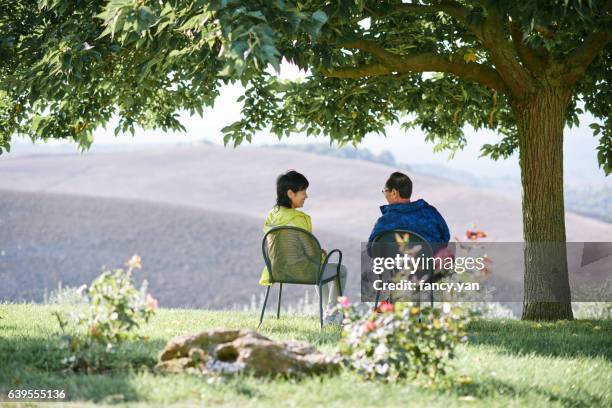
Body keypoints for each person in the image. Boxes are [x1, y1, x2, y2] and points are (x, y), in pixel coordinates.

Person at [260, 170, 347, 325]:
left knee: (319, 270)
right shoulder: (298, 219)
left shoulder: (272, 215)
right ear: (290, 193)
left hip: (277, 270)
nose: (306, 196)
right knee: (340, 270)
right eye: (303, 191)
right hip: (302, 271)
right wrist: (321, 254)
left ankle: (329, 315)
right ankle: (333, 314)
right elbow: (311, 254)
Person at [368, 171, 450, 254]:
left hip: (396, 266)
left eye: (385, 191)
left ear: (394, 193)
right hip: (429, 265)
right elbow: (446, 238)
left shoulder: (385, 222)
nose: (384, 194)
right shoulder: (430, 213)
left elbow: (371, 250)